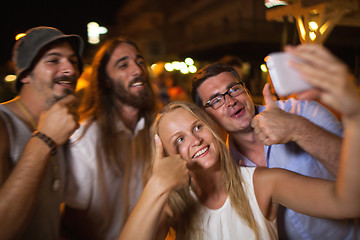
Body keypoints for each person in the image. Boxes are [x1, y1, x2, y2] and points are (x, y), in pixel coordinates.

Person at [118, 65, 360, 239]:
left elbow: (349, 201)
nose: (195, 140)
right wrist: (157, 184)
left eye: (197, 127)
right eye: (179, 139)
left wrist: (352, 112)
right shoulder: (173, 207)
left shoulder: (262, 181)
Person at [191, 48, 359, 238]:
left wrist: (297, 128)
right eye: (216, 100)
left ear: (245, 89)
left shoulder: (303, 112)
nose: (230, 101)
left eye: (234, 89)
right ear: (207, 117)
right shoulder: (226, 166)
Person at [61, 37, 157, 240]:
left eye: (140, 62)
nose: (138, 71)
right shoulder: (83, 141)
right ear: (105, 80)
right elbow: (71, 224)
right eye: (123, 65)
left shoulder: (154, 131)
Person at [0, 26, 83, 239]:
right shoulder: (4, 123)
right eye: (53, 60)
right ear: (25, 74)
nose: (70, 70)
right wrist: (45, 140)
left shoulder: (63, 128)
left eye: (73, 61)